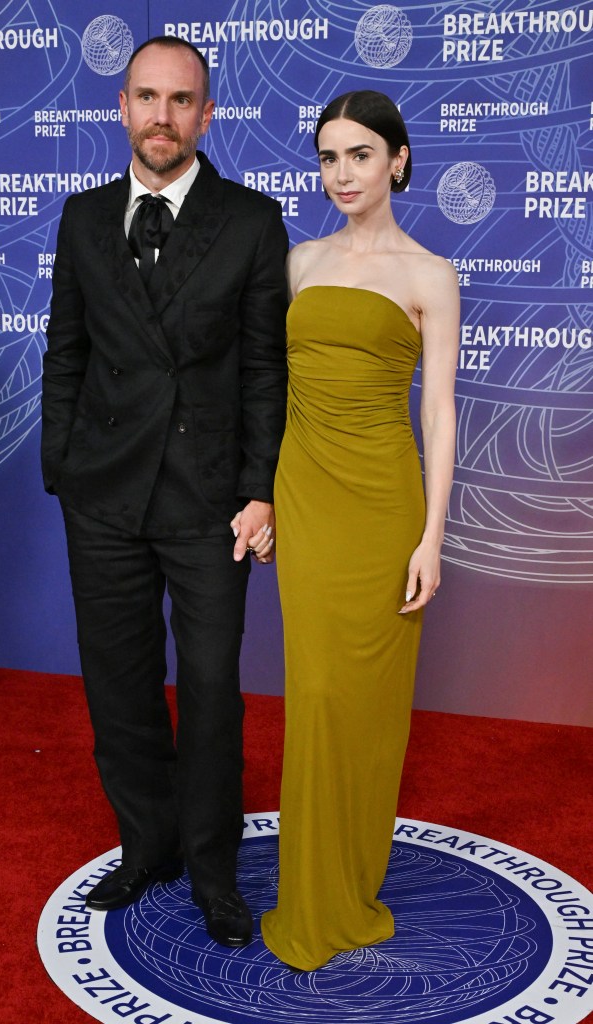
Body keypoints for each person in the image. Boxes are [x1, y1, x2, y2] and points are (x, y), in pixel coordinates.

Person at [41, 36, 288, 948]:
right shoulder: (80, 216)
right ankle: (146, 845)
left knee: (214, 688)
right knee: (119, 683)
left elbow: (267, 370)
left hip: (210, 500)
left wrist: (260, 490)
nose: (161, 116)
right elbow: (65, 349)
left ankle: (214, 871)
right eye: (146, 97)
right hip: (101, 495)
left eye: (181, 100)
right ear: (121, 107)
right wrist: (60, 464)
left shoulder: (252, 221)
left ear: (206, 113)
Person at [260, 90, 459, 970]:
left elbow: (442, 415)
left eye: (361, 155)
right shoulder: (298, 262)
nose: (342, 174)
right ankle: (306, 896)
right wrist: (262, 498)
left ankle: (347, 887)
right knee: (315, 698)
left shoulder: (429, 275)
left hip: (384, 511)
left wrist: (431, 539)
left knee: (368, 708)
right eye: (329, 158)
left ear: (398, 162)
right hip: (304, 501)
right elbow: (268, 395)